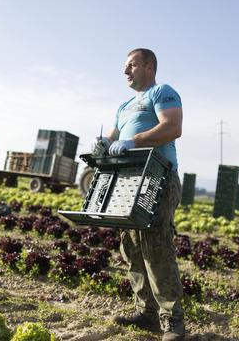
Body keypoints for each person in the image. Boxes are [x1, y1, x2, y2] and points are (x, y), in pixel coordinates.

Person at [93, 48, 185, 340]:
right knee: (131, 248)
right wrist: (103, 146)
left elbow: (172, 127)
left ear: (149, 66)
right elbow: (111, 138)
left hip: (157, 179)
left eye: (131, 65)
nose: (126, 71)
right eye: (125, 66)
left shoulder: (162, 92)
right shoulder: (123, 106)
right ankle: (146, 313)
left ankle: (172, 321)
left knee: (156, 248)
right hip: (127, 182)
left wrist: (134, 141)